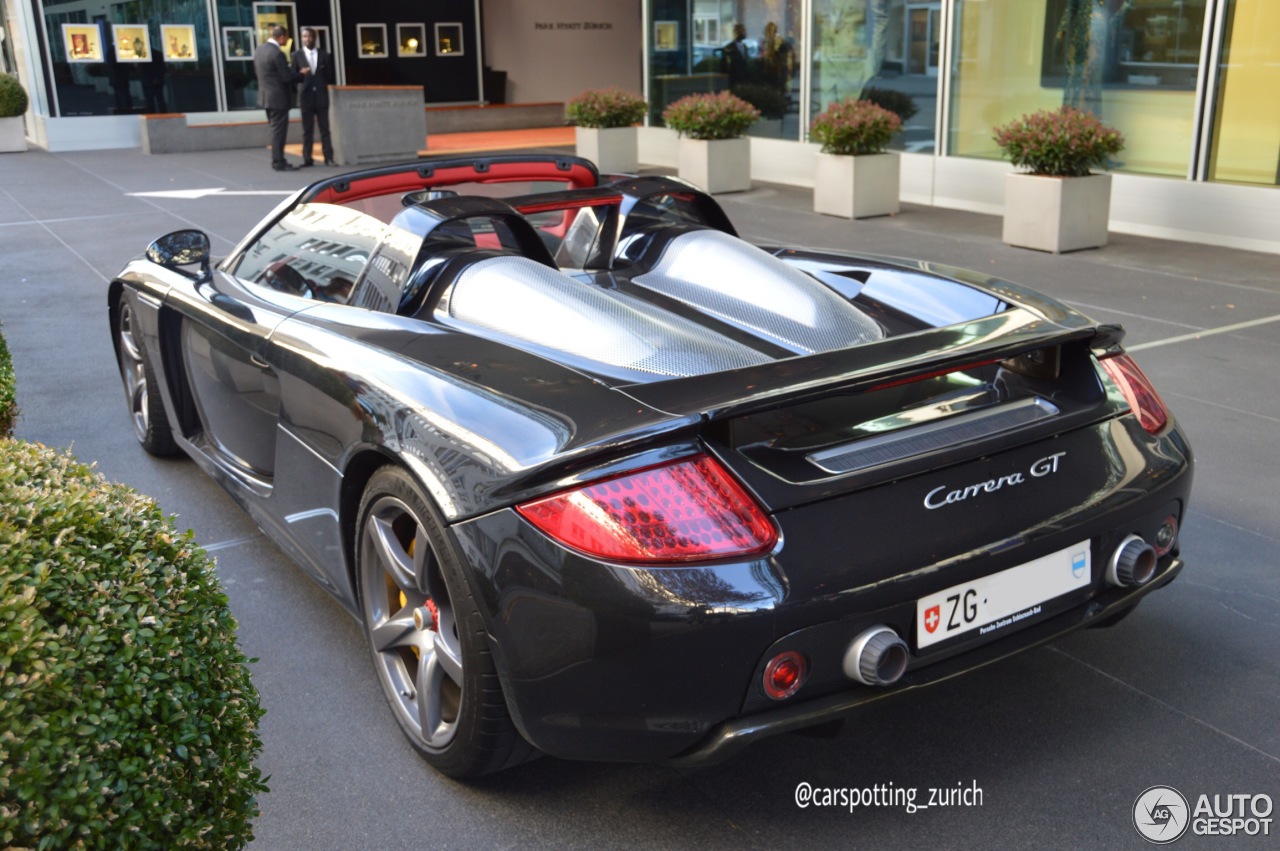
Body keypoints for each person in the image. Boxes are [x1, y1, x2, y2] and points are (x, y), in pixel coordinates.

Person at [254, 25, 308, 171]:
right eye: (287, 38)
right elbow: (286, 77)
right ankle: (278, 162)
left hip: (266, 98)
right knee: (279, 132)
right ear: (282, 37)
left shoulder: (259, 50)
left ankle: (278, 160)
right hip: (278, 99)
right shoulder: (277, 54)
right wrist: (301, 74)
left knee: (274, 130)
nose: (287, 41)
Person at [290, 27, 336, 167]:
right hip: (305, 97)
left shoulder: (324, 55)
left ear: (314, 38)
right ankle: (307, 159)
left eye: (309, 36)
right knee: (307, 130)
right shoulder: (296, 55)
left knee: (325, 129)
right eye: (304, 36)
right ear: (301, 38)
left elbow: (329, 76)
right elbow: (294, 76)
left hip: (321, 96)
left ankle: (329, 158)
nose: (307, 39)